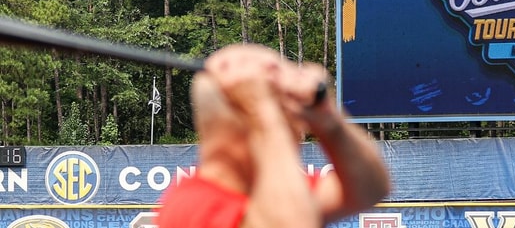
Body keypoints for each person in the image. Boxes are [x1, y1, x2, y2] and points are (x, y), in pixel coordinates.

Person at [156, 43, 391, 228]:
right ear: (247, 115)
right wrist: (263, 112)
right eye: (287, 114)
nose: (300, 128)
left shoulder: (275, 192)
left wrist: (327, 118)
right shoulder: (190, 207)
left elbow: (371, 188)